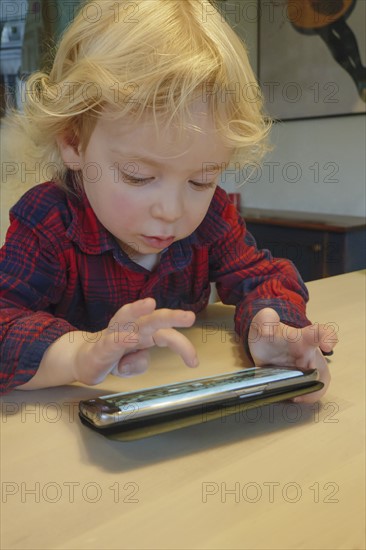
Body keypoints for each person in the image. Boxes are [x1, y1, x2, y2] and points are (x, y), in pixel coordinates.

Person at [0, 0, 337, 400]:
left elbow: (262, 276)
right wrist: (79, 354)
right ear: (73, 142)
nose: (172, 211)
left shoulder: (212, 217)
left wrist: (269, 328)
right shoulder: (50, 219)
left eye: (200, 180)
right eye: (138, 176)